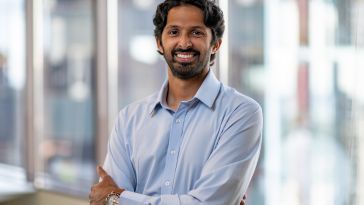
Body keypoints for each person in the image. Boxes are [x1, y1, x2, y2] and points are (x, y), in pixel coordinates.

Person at [89, 0, 263, 204]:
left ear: (215, 44)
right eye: (173, 32)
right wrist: (114, 198)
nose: (184, 43)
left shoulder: (241, 113)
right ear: (159, 43)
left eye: (196, 33)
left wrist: (118, 198)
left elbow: (208, 203)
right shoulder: (129, 119)